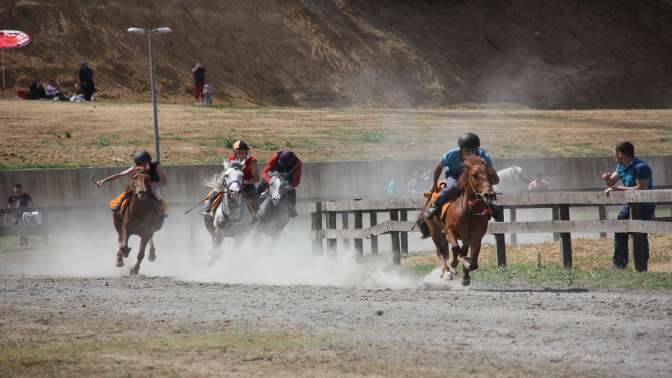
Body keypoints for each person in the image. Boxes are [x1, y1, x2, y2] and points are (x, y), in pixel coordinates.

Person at [601, 141, 655, 272]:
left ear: (620, 154)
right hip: (630, 203)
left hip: (644, 205)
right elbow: (611, 183)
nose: (613, 156)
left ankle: (641, 267)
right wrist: (607, 178)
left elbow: (641, 188)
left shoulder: (641, 167)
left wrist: (617, 188)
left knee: (639, 234)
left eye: (614, 153)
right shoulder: (620, 166)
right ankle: (619, 264)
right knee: (620, 229)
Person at [423, 132, 500, 219]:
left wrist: (491, 180)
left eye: (473, 150)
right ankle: (435, 206)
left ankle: (491, 206)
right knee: (451, 186)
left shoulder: (483, 155)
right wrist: (434, 184)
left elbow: (490, 170)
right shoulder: (451, 154)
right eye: (467, 150)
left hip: (474, 176)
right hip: (454, 175)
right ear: (461, 149)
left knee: (484, 188)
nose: (470, 153)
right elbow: (439, 167)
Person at [96, 151, 167, 215]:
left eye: (141, 164)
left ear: (147, 162)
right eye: (138, 164)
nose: (139, 166)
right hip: (139, 183)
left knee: (158, 196)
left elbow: (164, 182)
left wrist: (151, 184)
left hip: (152, 185)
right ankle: (118, 205)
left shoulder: (156, 167)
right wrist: (104, 181)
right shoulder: (135, 167)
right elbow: (120, 175)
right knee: (127, 191)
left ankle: (162, 211)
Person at [202, 140, 260, 213]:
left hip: (246, 184)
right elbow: (227, 174)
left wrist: (244, 182)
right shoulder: (231, 159)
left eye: (244, 152)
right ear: (235, 152)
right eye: (239, 152)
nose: (242, 155)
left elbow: (256, 178)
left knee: (255, 198)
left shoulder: (252, 161)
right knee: (215, 191)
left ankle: (255, 214)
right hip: (231, 184)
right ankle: (209, 205)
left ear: (247, 152)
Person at [257, 150, 302, 218]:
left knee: (292, 196)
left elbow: (296, 181)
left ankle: (292, 211)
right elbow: (265, 172)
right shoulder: (275, 157)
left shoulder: (298, 164)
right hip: (272, 177)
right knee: (260, 188)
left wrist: (290, 186)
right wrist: (270, 181)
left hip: (286, 181)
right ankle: (254, 205)